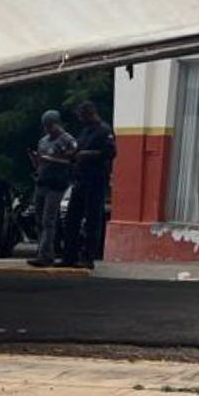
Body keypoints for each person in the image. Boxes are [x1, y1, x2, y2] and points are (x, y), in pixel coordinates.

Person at [61, 100, 116, 269]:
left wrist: (87, 154)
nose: (80, 120)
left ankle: (88, 257)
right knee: (72, 219)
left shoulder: (104, 131)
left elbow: (110, 152)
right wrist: (70, 154)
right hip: (80, 179)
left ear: (90, 114)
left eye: (82, 116)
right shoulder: (85, 132)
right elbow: (77, 150)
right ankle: (69, 256)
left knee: (92, 219)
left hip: (96, 180)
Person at [26, 110, 76, 267]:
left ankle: (45, 254)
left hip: (56, 185)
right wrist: (36, 160)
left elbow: (72, 161)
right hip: (41, 182)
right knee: (39, 220)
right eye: (46, 127)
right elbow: (40, 163)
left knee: (49, 220)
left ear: (57, 123)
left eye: (50, 126)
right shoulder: (43, 141)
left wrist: (51, 159)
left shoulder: (67, 140)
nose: (48, 129)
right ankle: (44, 250)